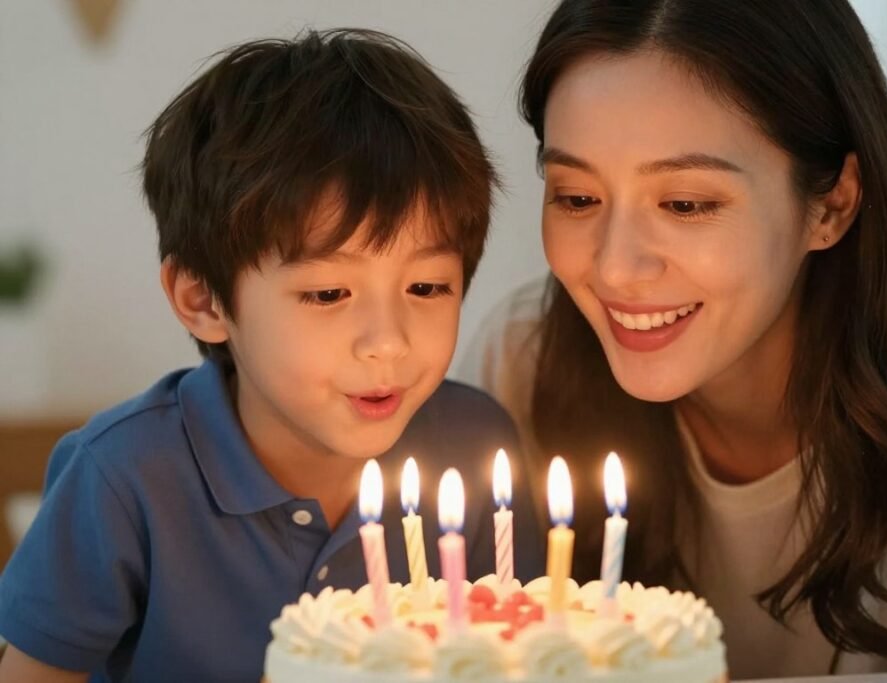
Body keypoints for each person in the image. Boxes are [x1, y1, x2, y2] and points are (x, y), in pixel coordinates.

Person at [462, 0, 887, 678]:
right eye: (577, 197)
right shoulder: (526, 359)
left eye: (687, 204)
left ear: (832, 204)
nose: (614, 267)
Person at [0, 29, 541, 682]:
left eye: (426, 286)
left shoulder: (473, 448)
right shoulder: (122, 478)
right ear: (204, 299)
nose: (388, 340)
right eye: (328, 292)